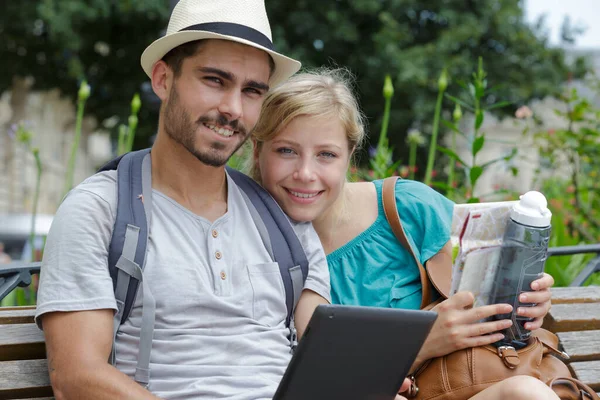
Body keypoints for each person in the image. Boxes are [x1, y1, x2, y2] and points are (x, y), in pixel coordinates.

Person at [32, 1, 367, 399]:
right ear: (163, 79)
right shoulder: (99, 210)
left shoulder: (282, 221)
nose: (232, 108)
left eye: (252, 91)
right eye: (215, 80)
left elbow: (323, 362)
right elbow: (76, 377)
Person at [251, 68, 560, 399]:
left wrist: (526, 304)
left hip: (466, 383)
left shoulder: (405, 209)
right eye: (286, 151)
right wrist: (422, 344)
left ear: (349, 157)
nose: (305, 174)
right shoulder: (250, 245)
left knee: (527, 393)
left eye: (326, 154)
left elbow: (485, 284)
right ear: (258, 151)